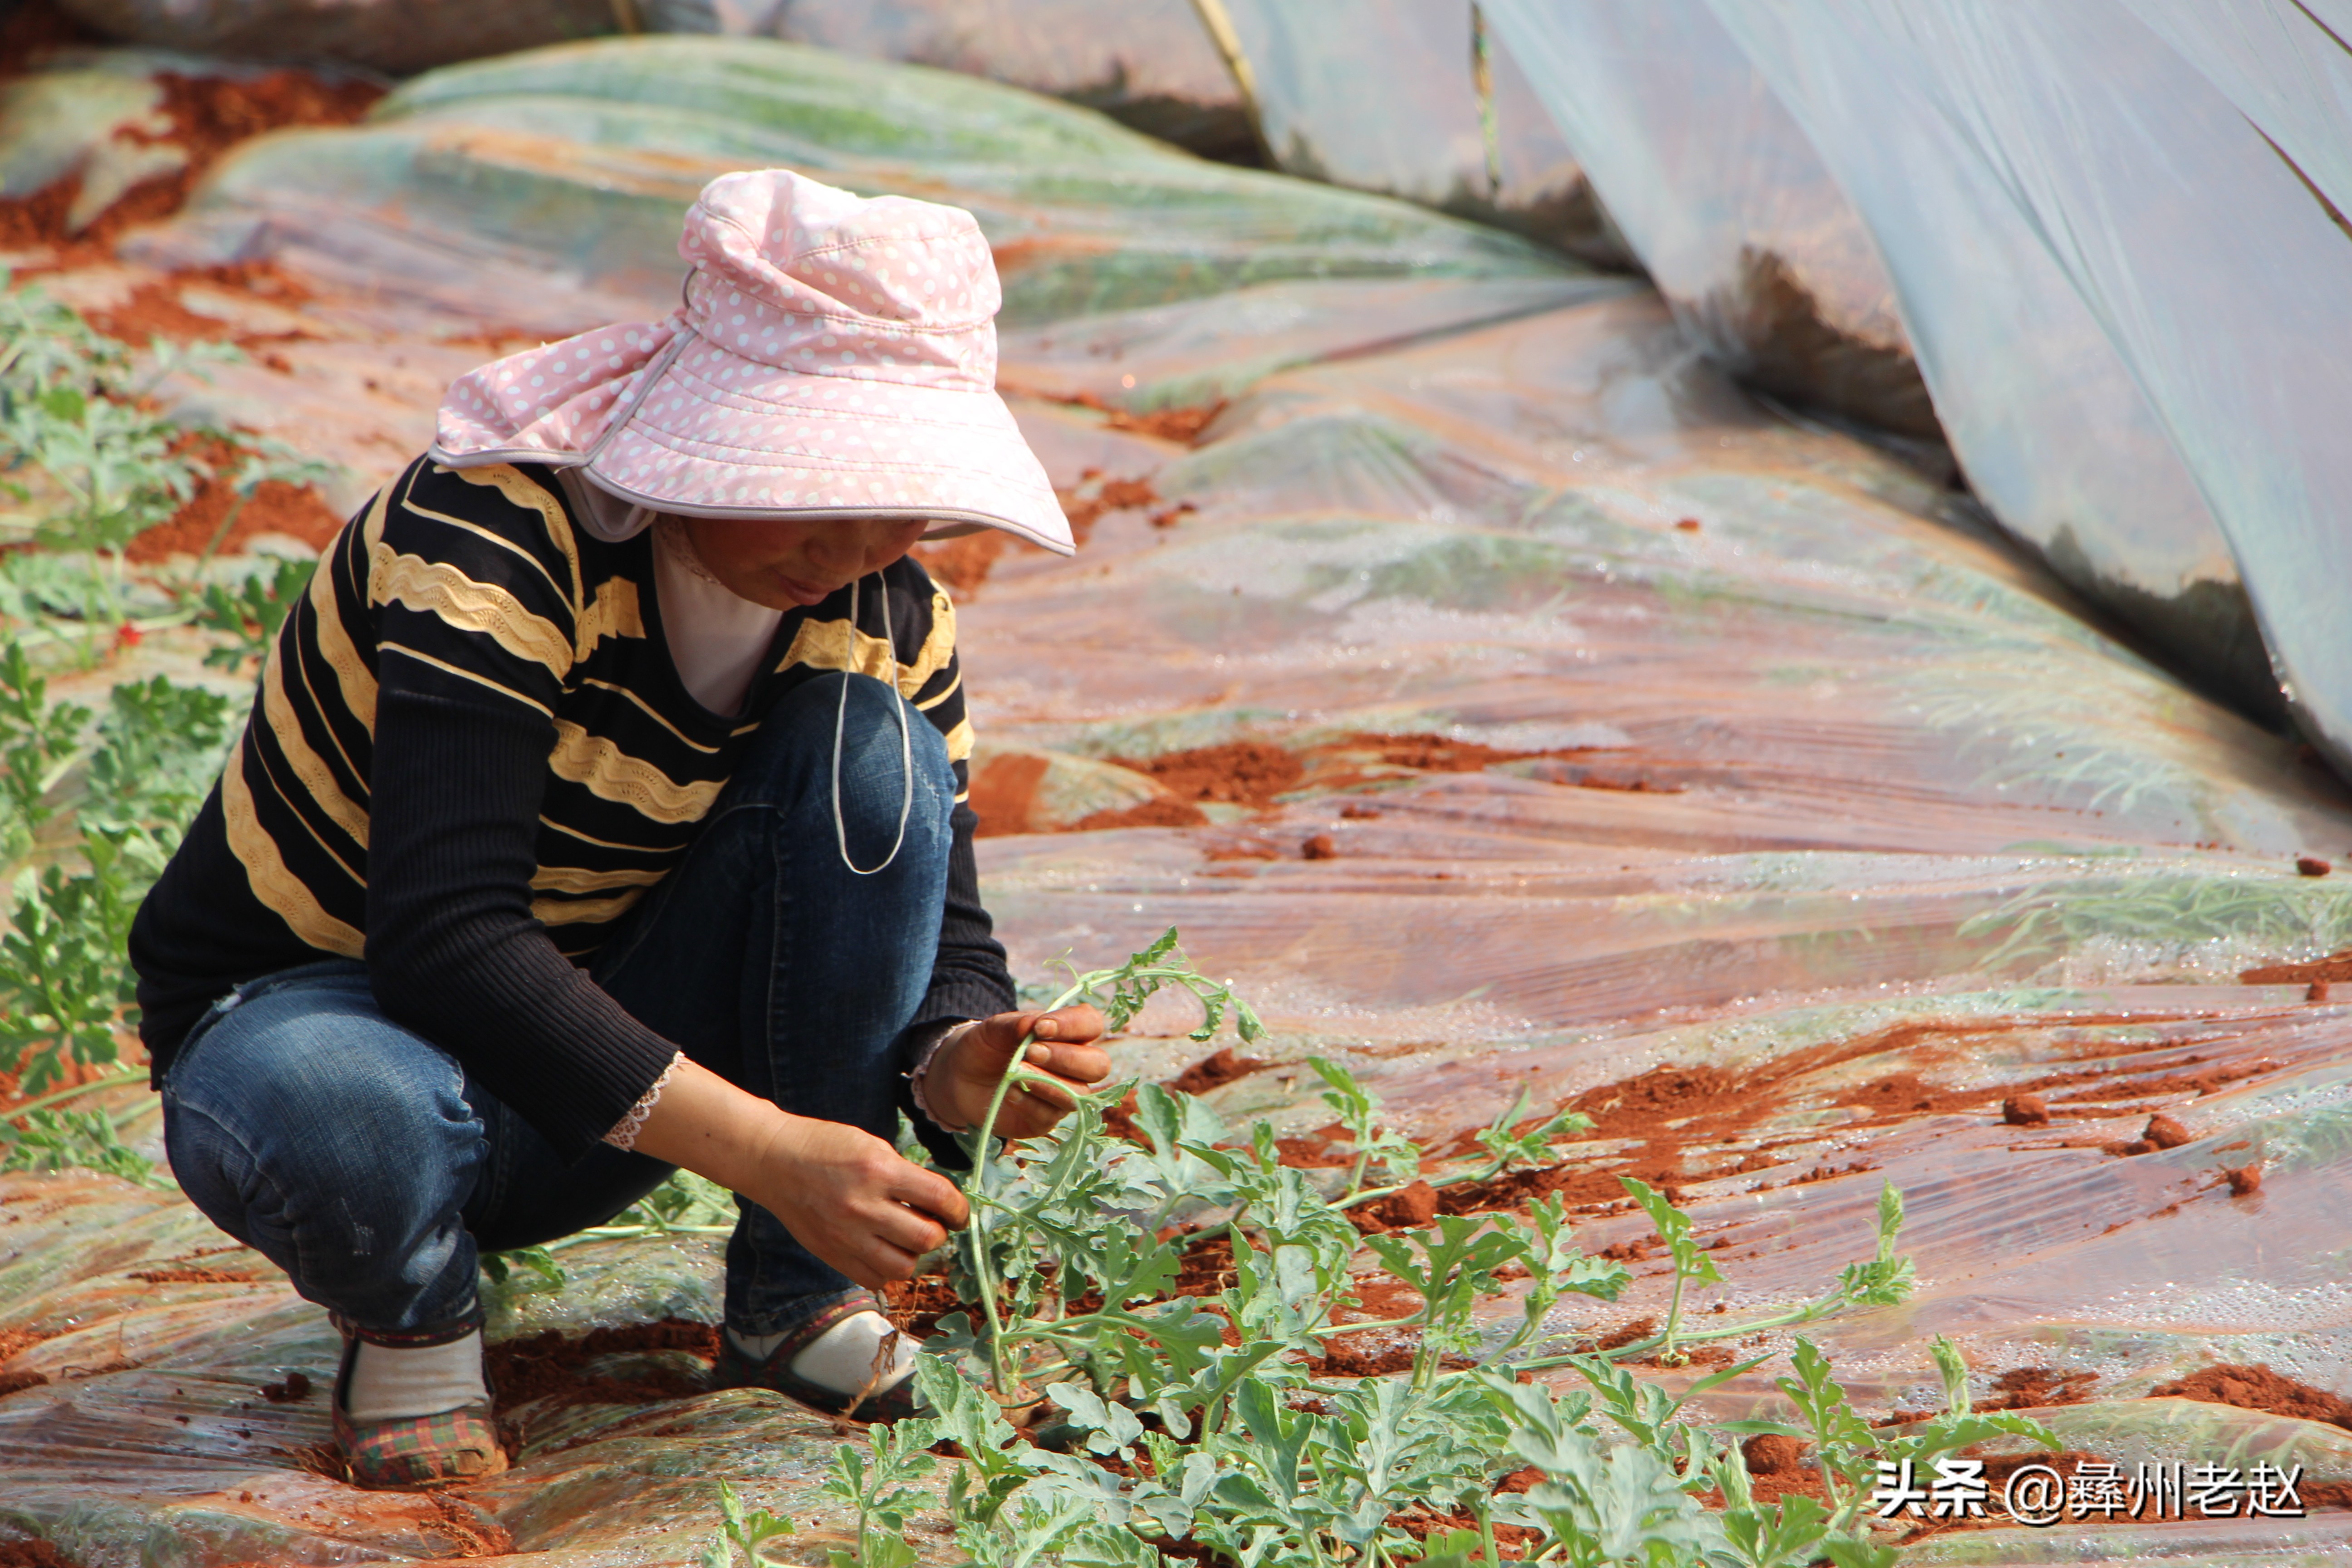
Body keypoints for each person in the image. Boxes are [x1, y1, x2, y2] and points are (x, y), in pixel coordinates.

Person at [127, 168, 1112, 1490]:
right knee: (335, 1107)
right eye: (827, 482)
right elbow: (443, 940)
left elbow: (947, 934)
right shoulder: (495, 530)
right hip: (321, 1024)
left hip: (600, 1074)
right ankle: (411, 1314)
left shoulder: (885, 606)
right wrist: (769, 1149)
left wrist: (956, 1061)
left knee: (875, 756)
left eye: (904, 497)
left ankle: (798, 1300)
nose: (862, 540)